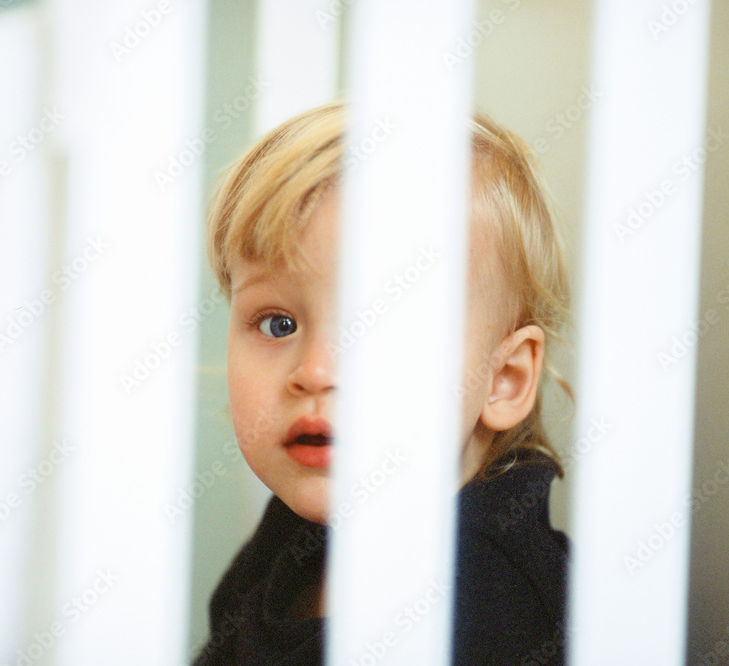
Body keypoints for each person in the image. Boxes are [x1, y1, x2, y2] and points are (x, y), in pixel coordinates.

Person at [194, 101, 571, 665]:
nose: (315, 373)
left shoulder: (497, 608)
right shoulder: (289, 541)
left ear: (504, 379)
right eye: (278, 324)